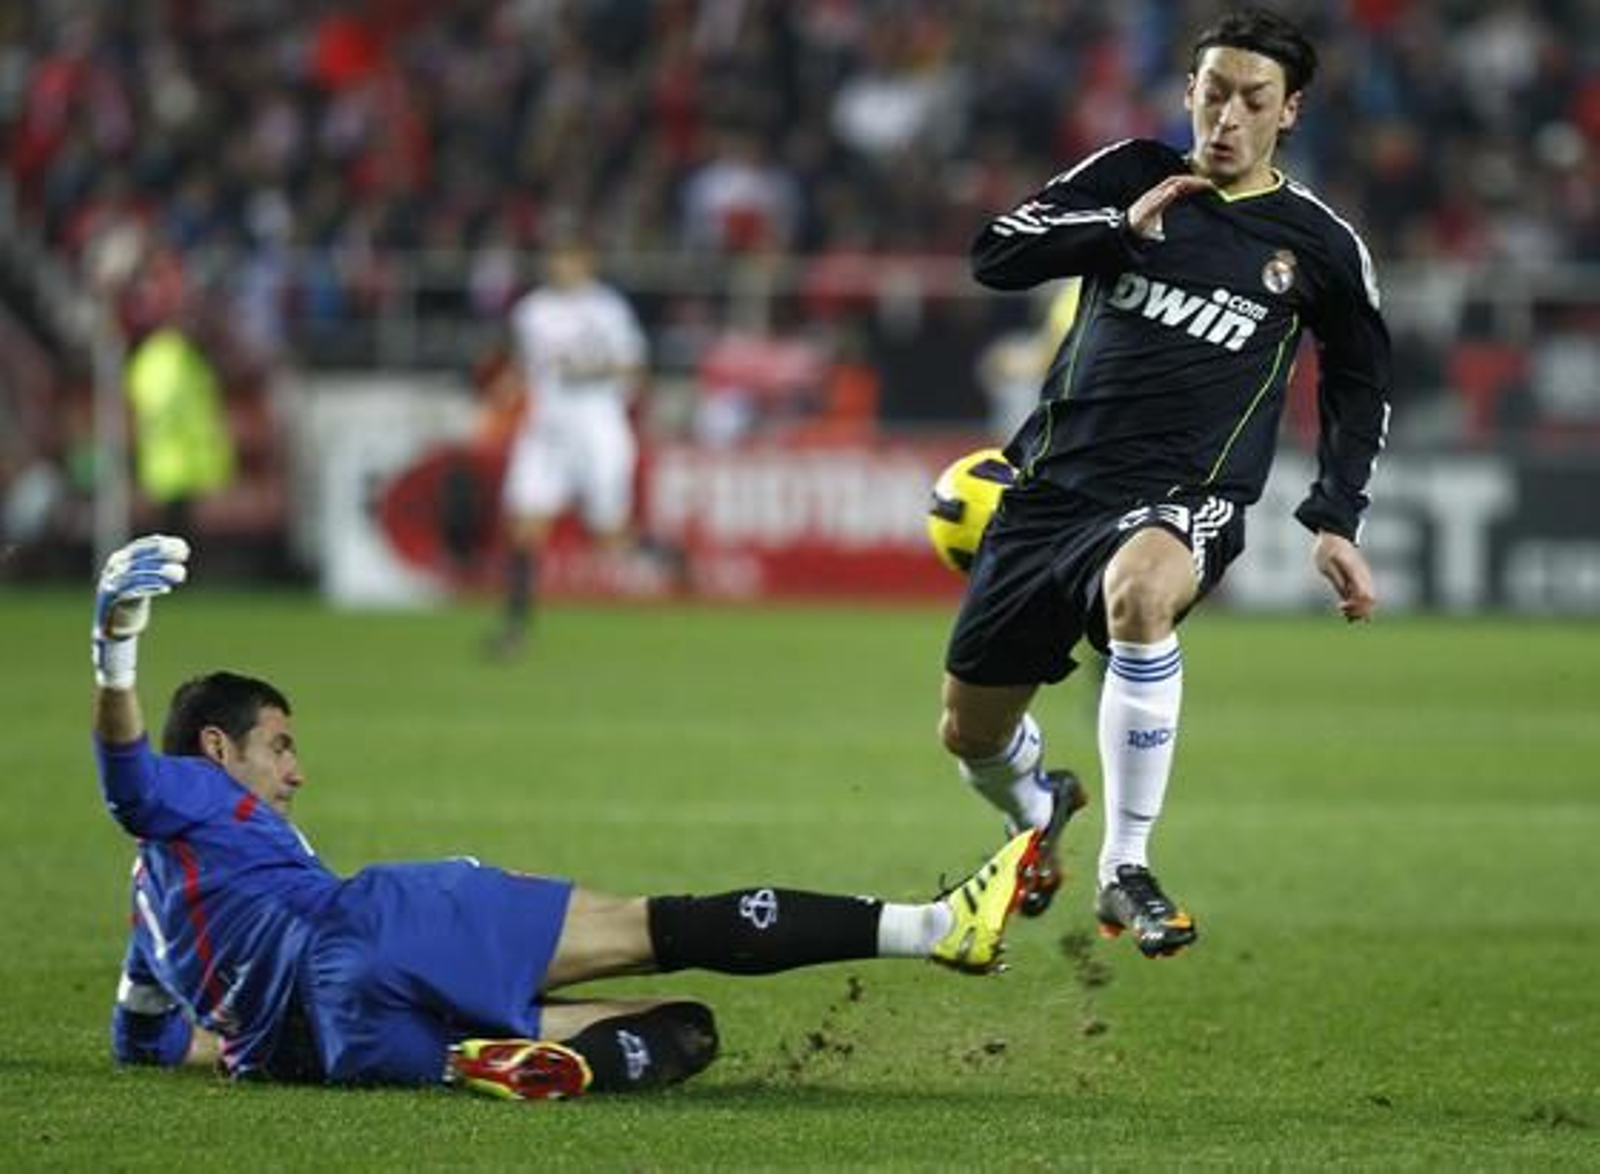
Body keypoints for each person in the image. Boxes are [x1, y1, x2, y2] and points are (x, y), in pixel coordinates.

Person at [91, 536, 1042, 1100]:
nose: (295, 771)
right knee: (659, 928)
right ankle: (935, 927)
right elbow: (130, 782)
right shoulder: (196, 792)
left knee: (685, 1032)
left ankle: (509, 1061)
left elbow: (144, 1042)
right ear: (217, 747)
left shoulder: (153, 919)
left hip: (343, 1049)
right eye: (279, 746)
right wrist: (116, 653)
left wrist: (252, 1048)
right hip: (371, 930)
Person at [940, 8, 1391, 958]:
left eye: (1253, 99)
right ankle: (1040, 805)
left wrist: (1336, 517)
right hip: (1053, 490)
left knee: (1142, 591)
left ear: (1289, 111)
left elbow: (1360, 379)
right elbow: (996, 252)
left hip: (1188, 492)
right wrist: (1116, 230)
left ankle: (1125, 864)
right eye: (1214, 93)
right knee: (969, 733)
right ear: (1188, 91)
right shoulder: (1130, 173)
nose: (1228, 117)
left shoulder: (1319, 243)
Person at [486, 232, 650, 658]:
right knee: (525, 525)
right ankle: (515, 628)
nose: (561, 266)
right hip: (547, 432)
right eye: (556, 258)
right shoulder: (531, 311)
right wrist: (507, 386)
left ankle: (674, 563)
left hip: (597, 429)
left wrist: (585, 368)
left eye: (569, 258)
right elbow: (528, 364)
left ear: (586, 262)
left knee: (608, 536)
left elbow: (633, 367)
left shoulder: (608, 309)